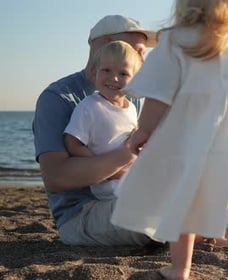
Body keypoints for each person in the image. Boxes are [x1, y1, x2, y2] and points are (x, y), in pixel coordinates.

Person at [110, 0, 228, 280]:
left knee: (183, 207)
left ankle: (180, 270)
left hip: (191, 143)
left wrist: (143, 131)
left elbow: (157, 96)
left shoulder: (175, 41)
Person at [32, 15, 158, 246]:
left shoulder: (132, 98)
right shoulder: (59, 98)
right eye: (137, 50)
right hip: (82, 214)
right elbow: (56, 177)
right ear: (105, 44)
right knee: (155, 212)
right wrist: (127, 155)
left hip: (127, 195)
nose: (142, 59)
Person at [63, 40, 142, 201]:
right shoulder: (90, 107)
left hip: (131, 176)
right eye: (106, 70)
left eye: (123, 74)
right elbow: (72, 143)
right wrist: (105, 168)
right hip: (108, 185)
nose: (113, 78)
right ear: (94, 73)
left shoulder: (131, 108)